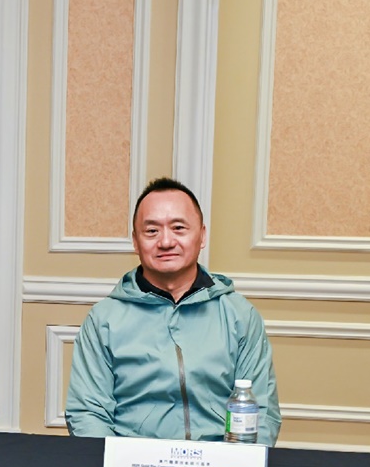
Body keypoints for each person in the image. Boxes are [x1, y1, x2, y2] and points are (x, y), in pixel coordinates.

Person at [66, 178, 280, 443]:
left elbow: (261, 411)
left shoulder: (239, 315)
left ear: (202, 235)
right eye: (152, 231)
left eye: (179, 228)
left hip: (220, 461)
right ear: (135, 241)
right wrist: (114, 463)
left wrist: (237, 465)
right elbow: (88, 413)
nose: (166, 241)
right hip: (132, 462)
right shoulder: (104, 320)